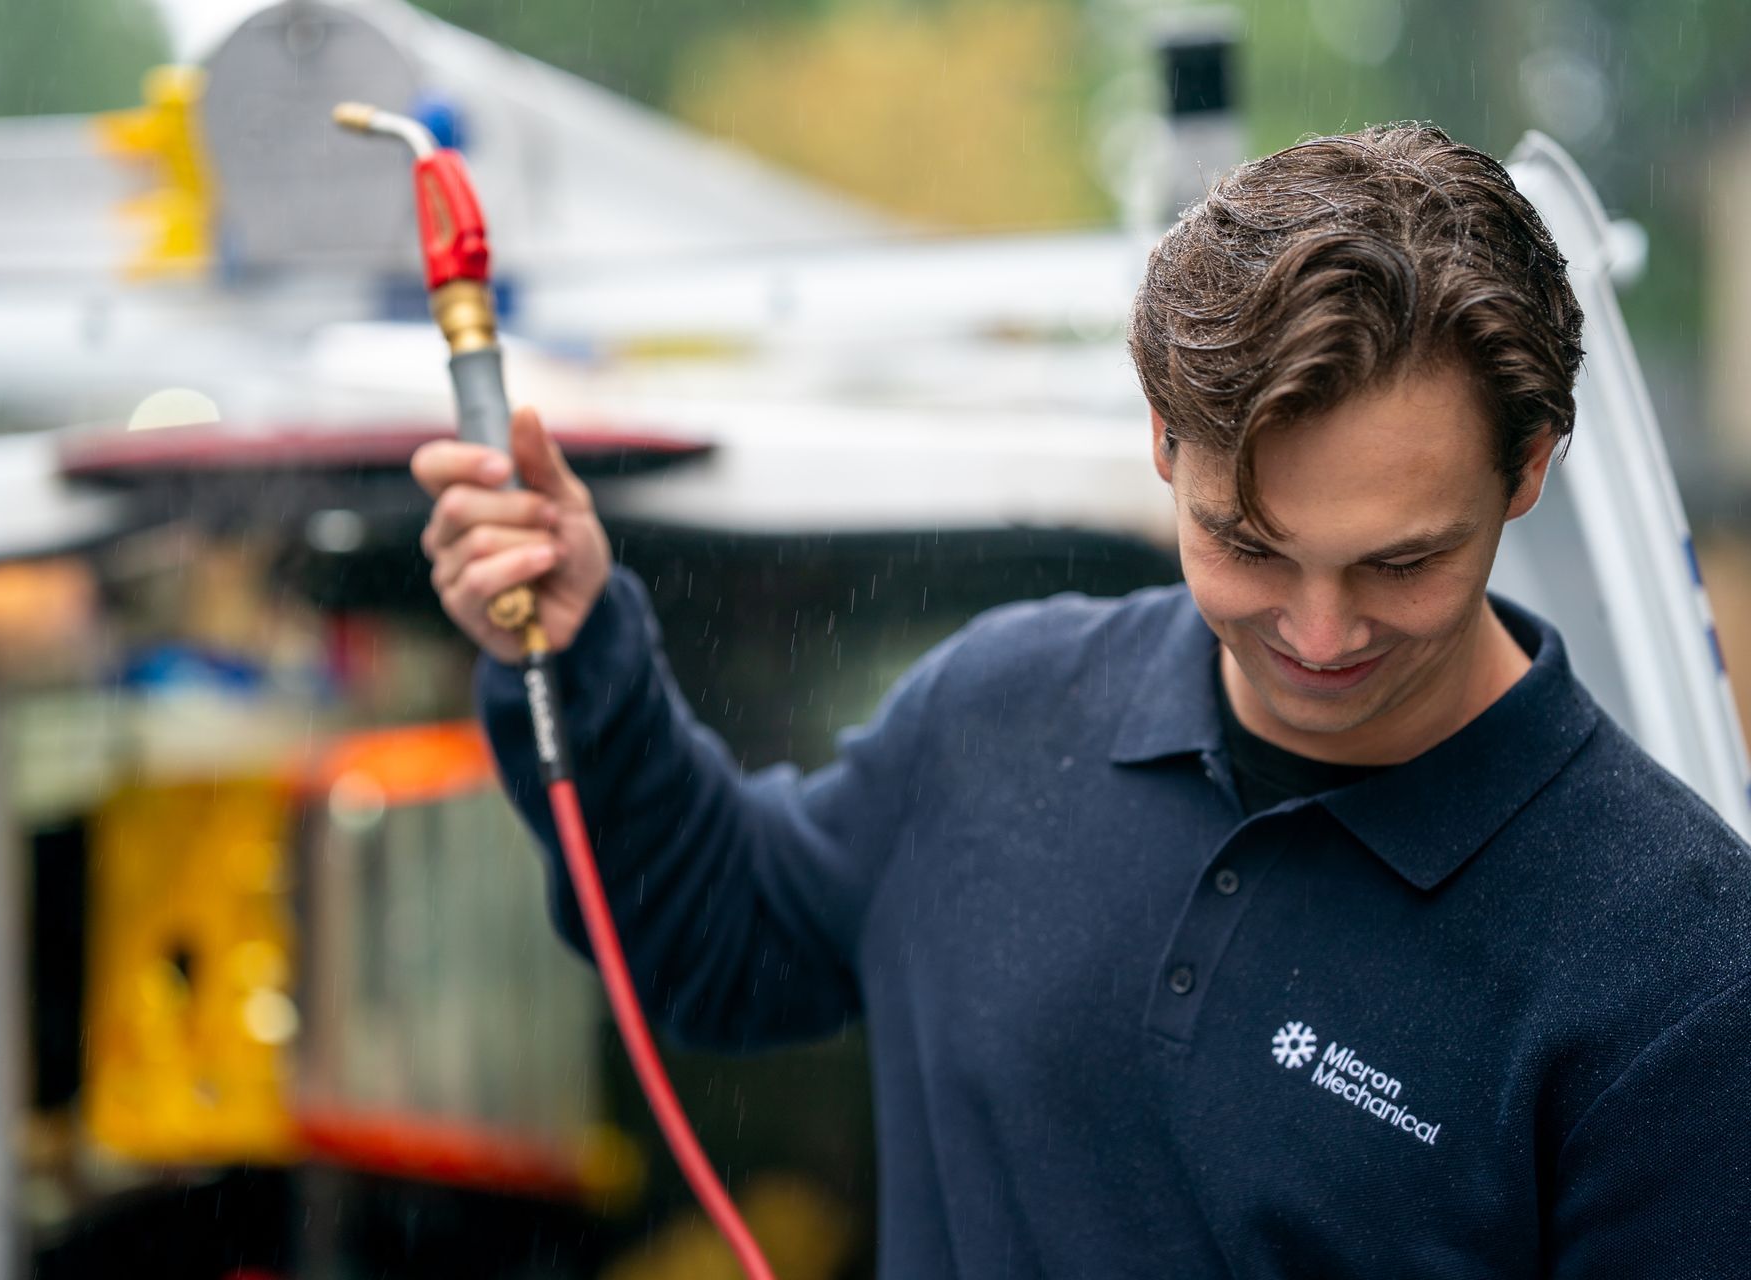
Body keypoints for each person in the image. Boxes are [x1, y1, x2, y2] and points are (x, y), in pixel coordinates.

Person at [412, 123, 1751, 1277]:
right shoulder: (999, 712)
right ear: (1164, 441)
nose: (1319, 630)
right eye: (1249, 544)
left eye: (1401, 561)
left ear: (1527, 470)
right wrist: (585, 655)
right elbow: (722, 944)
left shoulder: (1676, 973)